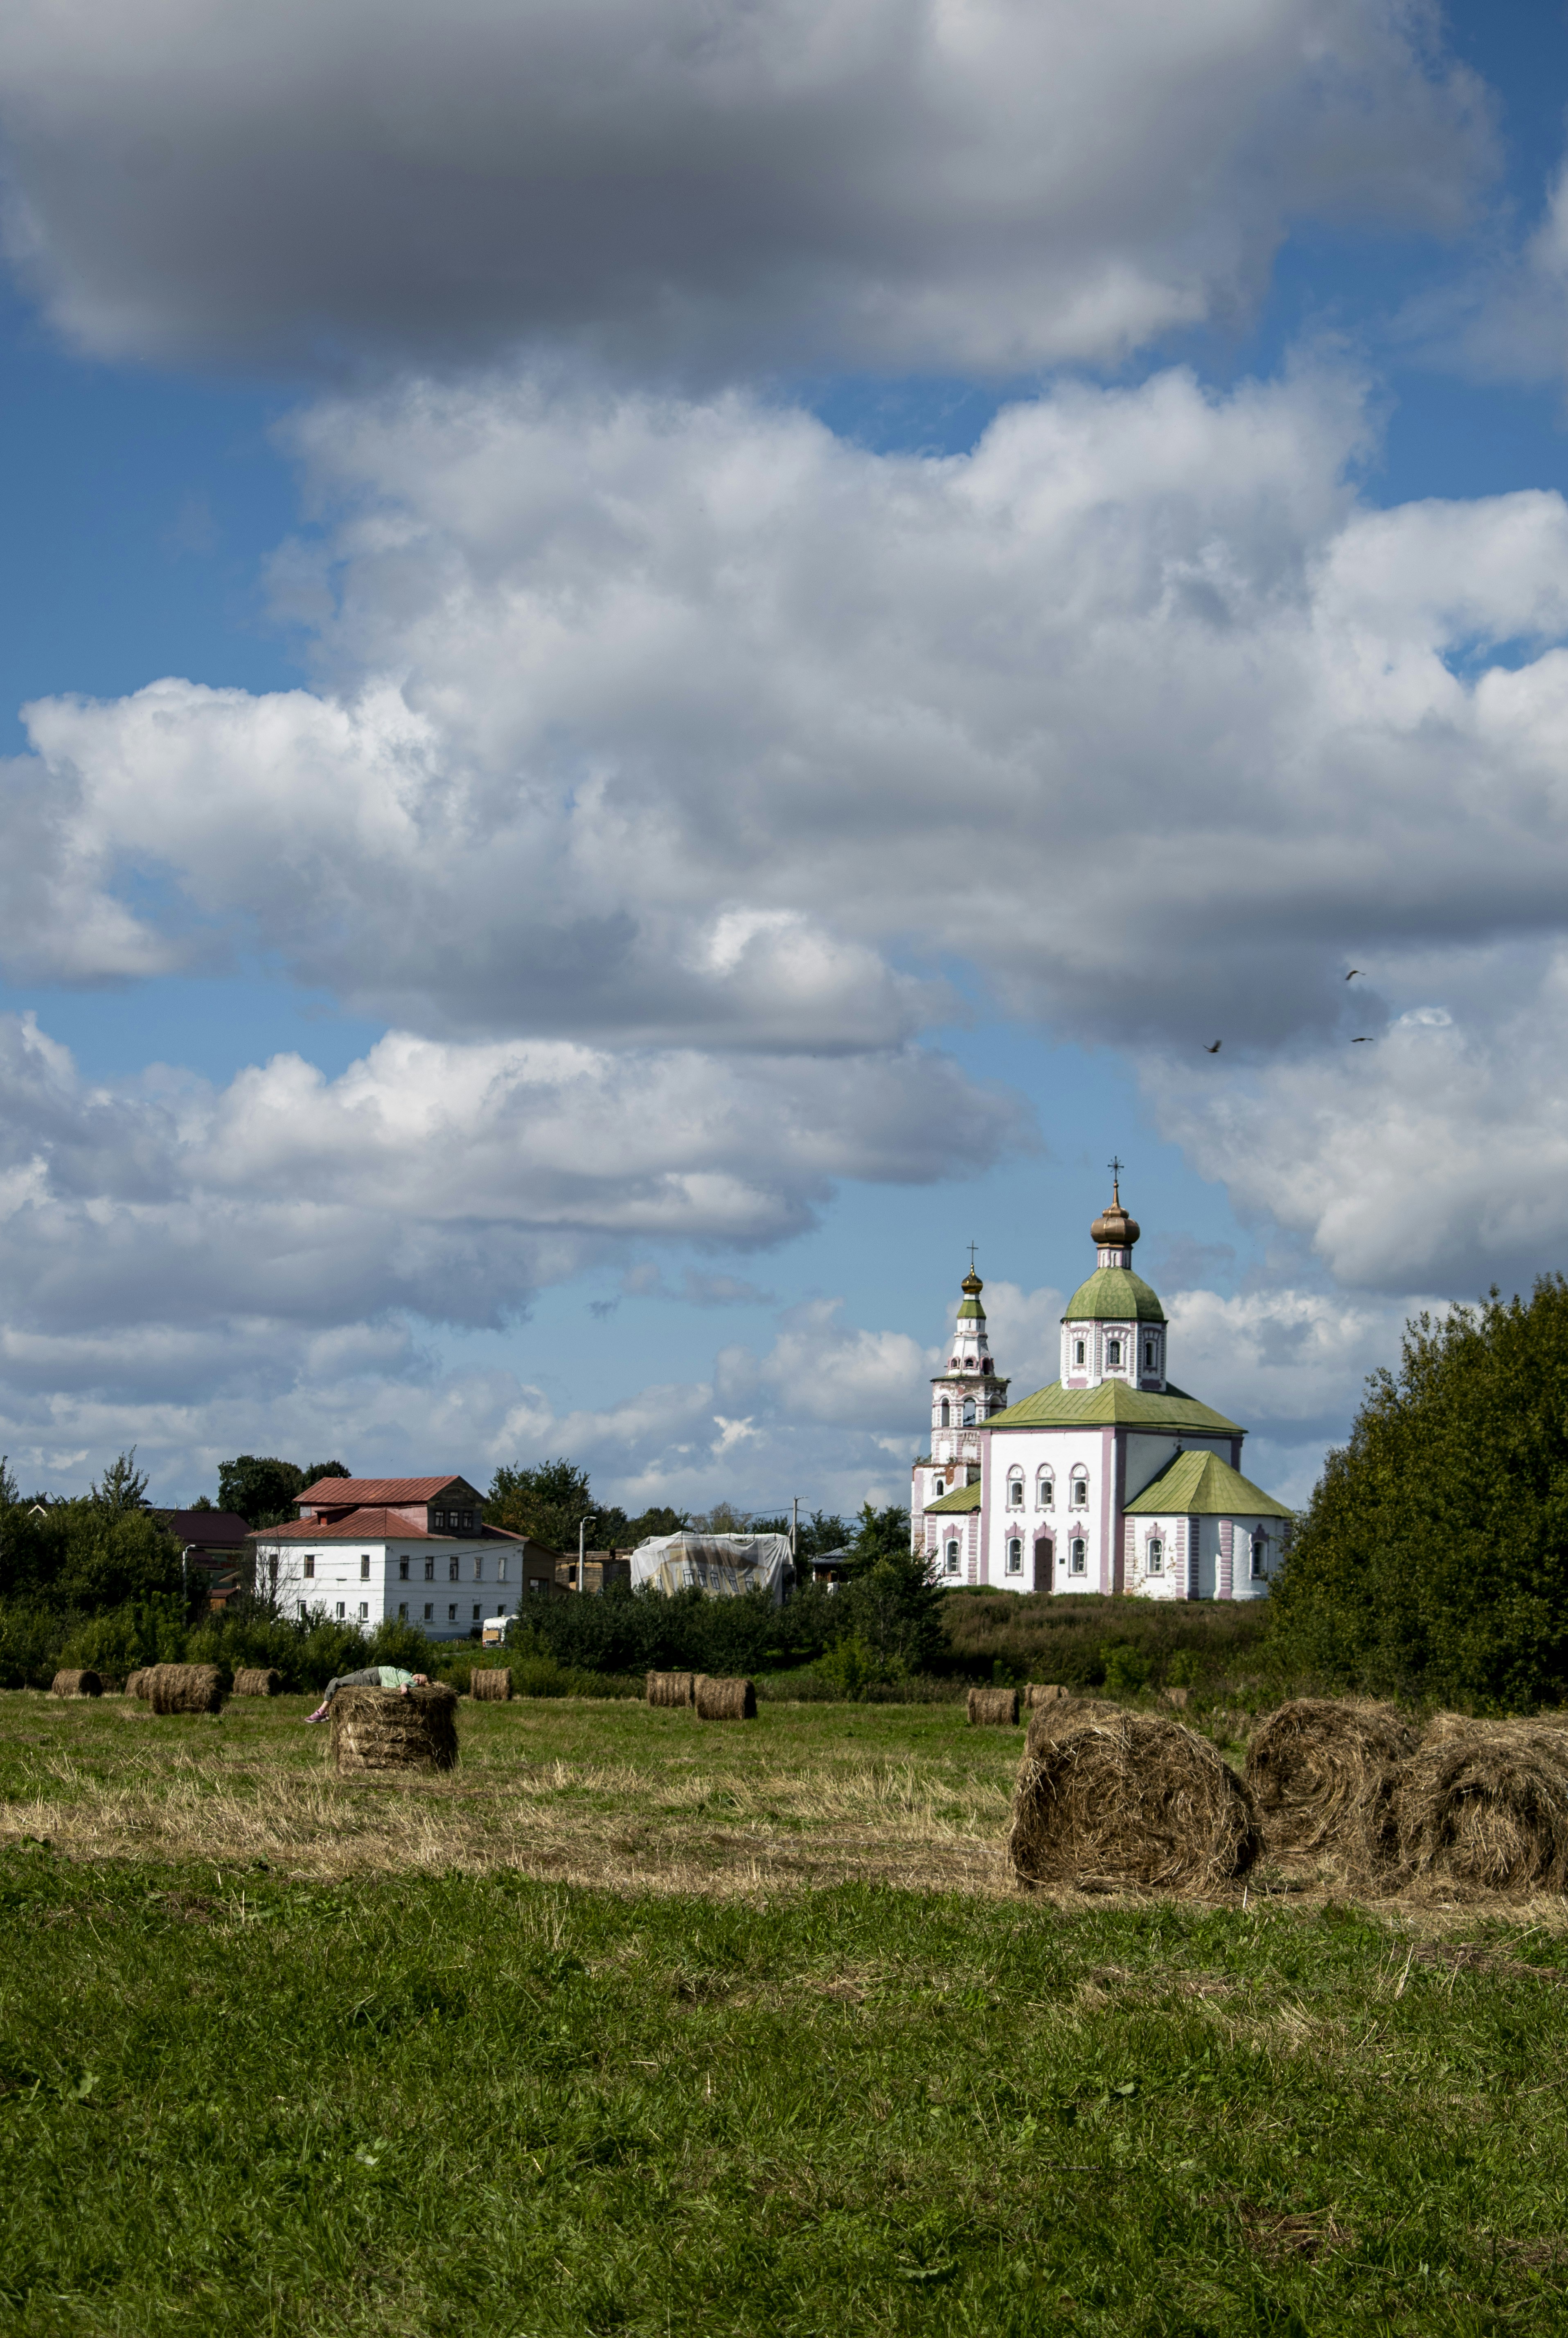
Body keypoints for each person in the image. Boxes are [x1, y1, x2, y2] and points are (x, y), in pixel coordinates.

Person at [305, 1665, 429, 1723]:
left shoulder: (410, 1681)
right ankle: (330, 1712)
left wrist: (404, 1689)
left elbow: (405, 1684)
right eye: (419, 1676)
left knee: (337, 1682)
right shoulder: (408, 1673)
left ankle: (321, 1712)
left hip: (374, 1678)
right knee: (345, 1681)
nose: (417, 1679)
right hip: (374, 1671)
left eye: (420, 1681)